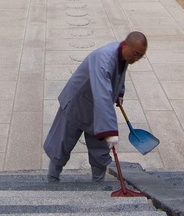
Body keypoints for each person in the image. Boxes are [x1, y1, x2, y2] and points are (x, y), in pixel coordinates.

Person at [44, 31, 148, 183]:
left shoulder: (124, 55)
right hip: (77, 102)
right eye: (136, 54)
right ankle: (52, 180)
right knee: (62, 144)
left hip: (97, 109)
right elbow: (102, 94)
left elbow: (119, 76)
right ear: (126, 45)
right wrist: (110, 130)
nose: (136, 59)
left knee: (100, 150)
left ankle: (98, 184)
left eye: (140, 56)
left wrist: (119, 92)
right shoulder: (104, 59)